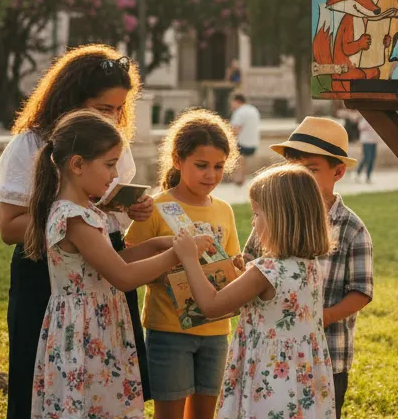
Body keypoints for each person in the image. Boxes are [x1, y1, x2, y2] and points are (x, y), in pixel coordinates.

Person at [0, 45, 154, 419]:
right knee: (44, 380)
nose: (113, 117)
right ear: (70, 100)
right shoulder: (31, 144)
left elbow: (106, 211)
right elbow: (9, 226)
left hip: (104, 270)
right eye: (103, 108)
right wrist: (73, 217)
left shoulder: (111, 142)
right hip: (47, 276)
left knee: (104, 377)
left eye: (119, 109)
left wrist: (126, 209)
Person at [24, 110, 181, 419]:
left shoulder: (86, 211)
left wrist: (158, 245)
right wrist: (178, 255)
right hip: (85, 333)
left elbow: (108, 265)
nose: (115, 175)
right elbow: (123, 277)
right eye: (110, 165)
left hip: (97, 325)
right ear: (77, 165)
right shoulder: (75, 218)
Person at [177, 164, 337, 419]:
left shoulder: (265, 271)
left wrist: (189, 259)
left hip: (269, 379)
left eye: (257, 213)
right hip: (300, 379)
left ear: (279, 218)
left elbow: (211, 305)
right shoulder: (310, 265)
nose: (253, 221)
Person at [242, 117, 374, 417]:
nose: (301, 177)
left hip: (326, 356)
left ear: (338, 172)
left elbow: (361, 291)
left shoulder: (351, 227)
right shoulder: (274, 217)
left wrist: (321, 317)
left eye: (311, 170)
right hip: (274, 353)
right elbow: (250, 259)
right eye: (295, 167)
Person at [126, 109, 241, 419]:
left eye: (219, 167)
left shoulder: (224, 210)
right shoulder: (155, 207)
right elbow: (129, 264)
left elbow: (231, 265)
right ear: (178, 160)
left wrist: (239, 268)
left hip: (216, 330)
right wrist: (170, 270)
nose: (211, 175)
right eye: (201, 165)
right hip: (169, 330)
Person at [229, 93, 261, 186]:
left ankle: (239, 178)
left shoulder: (240, 112)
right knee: (243, 159)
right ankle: (242, 178)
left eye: (232, 102)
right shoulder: (253, 110)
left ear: (237, 101)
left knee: (235, 155)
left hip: (242, 144)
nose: (231, 105)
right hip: (254, 144)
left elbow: (235, 129)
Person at [354, 113, 379, 184]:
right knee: (367, 158)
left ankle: (368, 177)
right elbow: (360, 127)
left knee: (372, 159)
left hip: (374, 141)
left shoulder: (376, 120)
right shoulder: (364, 120)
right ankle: (357, 173)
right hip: (366, 141)